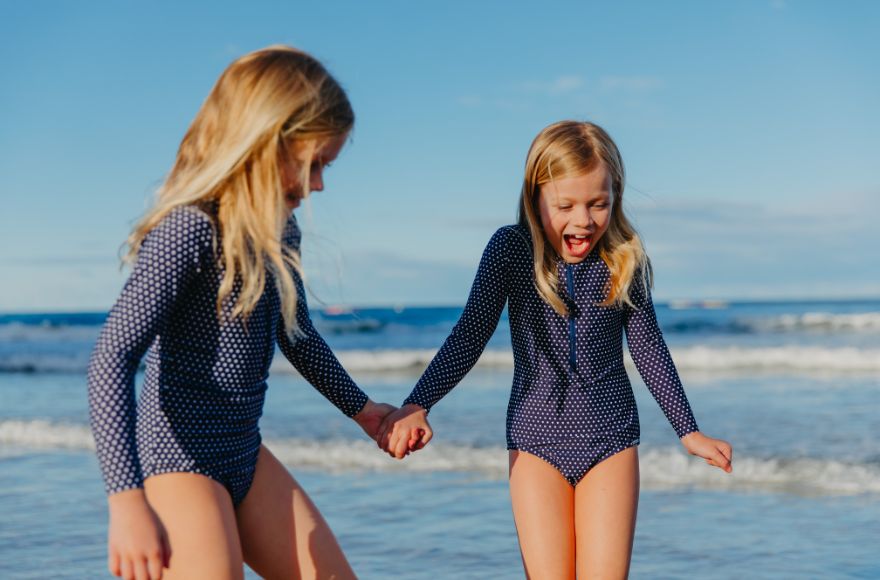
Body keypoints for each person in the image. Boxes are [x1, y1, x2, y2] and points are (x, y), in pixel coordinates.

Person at [87, 45, 393, 580]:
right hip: (178, 460)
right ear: (266, 141)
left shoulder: (280, 230)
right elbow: (111, 360)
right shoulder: (188, 231)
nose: (319, 183)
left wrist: (362, 410)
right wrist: (126, 501)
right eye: (314, 163)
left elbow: (296, 336)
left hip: (244, 454)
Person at [378, 120, 733, 578]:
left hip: (611, 438)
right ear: (534, 198)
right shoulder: (510, 249)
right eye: (565, 205)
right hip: (534, 442)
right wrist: (418, 402)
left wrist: (689, 431)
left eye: (598, 203)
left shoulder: (624, 255)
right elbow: (470, 333)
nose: (583, 220)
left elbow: (648, 345)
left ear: (616, 196)